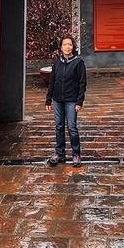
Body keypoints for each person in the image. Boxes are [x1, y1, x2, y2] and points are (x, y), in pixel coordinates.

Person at [45, 36, 87, 167]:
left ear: (73, 47)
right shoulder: (57, 63)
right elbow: (52, 82)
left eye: (70, 44)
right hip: (58, 100)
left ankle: (76, 154)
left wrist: (79, 101)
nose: (67, 47)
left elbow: (82, 83)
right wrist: (48, 100)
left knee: (72, 127)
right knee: (59, 127)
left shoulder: (78, 63)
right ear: (61, 47)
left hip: (71, 100)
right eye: (65, 44)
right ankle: (60, 153)